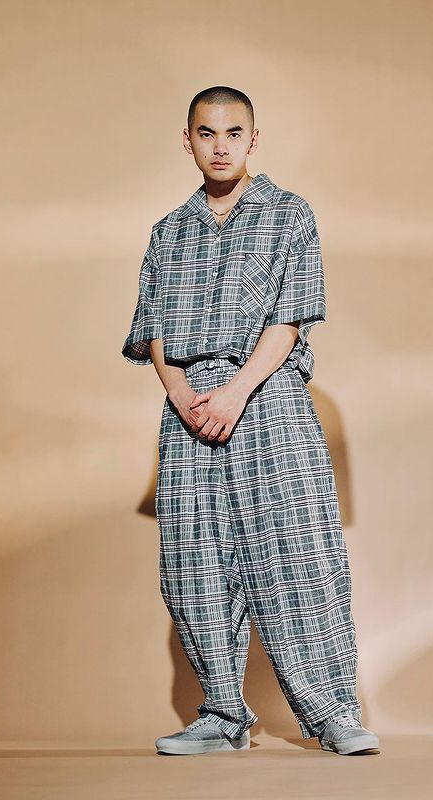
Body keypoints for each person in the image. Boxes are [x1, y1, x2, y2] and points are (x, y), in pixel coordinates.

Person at [121, 86, 380, 757]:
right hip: (189, 410)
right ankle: (220, 715)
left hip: (267, 396)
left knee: (298, 556)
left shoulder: (289, 214)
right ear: (188, 141)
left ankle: (333, 714)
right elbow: (153, 331)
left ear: (253, 139)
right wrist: (185, 397)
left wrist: (235, 392)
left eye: (233, 133)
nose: (220, 146)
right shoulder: (168, 232)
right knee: (195, 563)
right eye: (206, 133)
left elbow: (289, 320)